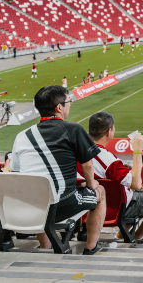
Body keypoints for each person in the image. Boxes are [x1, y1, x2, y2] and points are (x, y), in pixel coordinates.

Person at [10, 86, 107, 254]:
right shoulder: (73, 129)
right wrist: (92, 185)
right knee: (100, 192)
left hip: (31, 206)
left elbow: (17, 172)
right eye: (68, 102)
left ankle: (46, 246)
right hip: (63, 203)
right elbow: (88, 165)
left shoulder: (22, 135)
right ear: (59, 107)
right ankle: (91, 247)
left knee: (39, 193)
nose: (70, 105)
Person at [86, 112, 143, 242]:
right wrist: (137, 150)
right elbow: (136, 184)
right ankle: (138, 236)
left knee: (139, 196)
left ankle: (122, 235)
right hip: (115, 209)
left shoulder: (78, 152)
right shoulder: (107, 159)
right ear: (109, 131)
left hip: (87, 207)